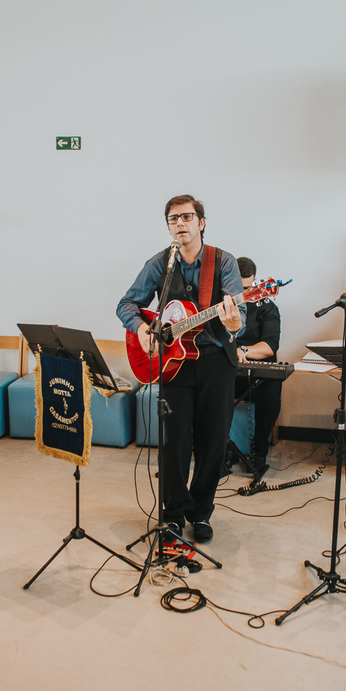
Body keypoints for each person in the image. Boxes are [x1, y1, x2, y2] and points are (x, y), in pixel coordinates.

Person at [117, 195, 244, 548]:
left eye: (186, 217)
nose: (180, 224)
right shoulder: (161, 263)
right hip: (174, 365)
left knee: (212, 442)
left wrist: (234, 322)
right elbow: (126, 304)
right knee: (174, 443)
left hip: (216, 362)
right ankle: (172, 514)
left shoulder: (224, 262)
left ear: (201, 222)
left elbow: (240, 317)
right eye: (173, 219)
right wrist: (143, 330)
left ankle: (201, 513)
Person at [232, 256, 282, 477]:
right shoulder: (220, 304)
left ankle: (258, 454)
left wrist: (243, 351)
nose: (243, 293)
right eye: (238, 288)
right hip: (229, 372)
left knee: (271, 394)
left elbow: (270, 346)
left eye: (247, 288)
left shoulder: (268, 307)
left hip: (258, 374)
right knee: (208, 388)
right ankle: (224, 451)